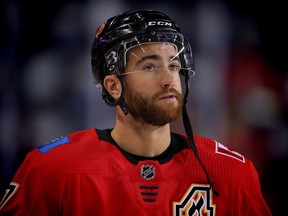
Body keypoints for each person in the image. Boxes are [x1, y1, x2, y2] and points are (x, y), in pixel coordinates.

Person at [0, 9, 272, 216]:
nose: (169, 79)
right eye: (150, 67)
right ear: (114, 85)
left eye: (174, 66)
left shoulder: (233, 174)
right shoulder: (51, 171)